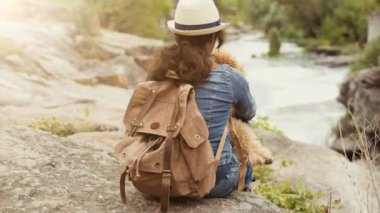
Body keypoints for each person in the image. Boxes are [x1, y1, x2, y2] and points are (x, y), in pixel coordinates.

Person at [148, 0, 257, 197]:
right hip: (211, 180)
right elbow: (249, 112)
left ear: (178, 37)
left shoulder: (161, 70)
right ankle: (246, 195)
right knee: (242, 146)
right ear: (213, 39)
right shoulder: (228, 76)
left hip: (158, 171)